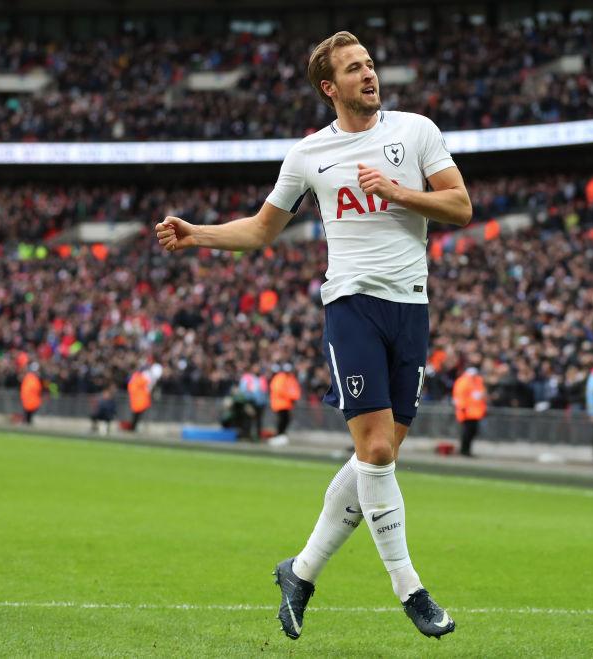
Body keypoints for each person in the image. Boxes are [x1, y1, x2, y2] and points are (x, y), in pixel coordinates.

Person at [155, 30, 470, 640]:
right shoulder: (308, 156)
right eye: (354, 69)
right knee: (377, 452)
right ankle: (412, 591)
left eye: (371, 64)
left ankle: (299, 573)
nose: (368, 75)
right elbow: (261, 231)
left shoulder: (416, 131)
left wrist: (400, 192)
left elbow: (460, 207)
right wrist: (197, 234)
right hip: (351, 306)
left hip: (412, 308)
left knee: (375, 459)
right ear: (330, 87)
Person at [452, 366, 487, 456]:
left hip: (475, 412)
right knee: (467, 432)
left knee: (472, 432)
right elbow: (460, 396)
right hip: (467, 412)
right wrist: (462, 408)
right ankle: (464, 450)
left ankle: (466, 450)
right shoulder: (463, 381)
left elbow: (480, 395)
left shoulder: (477, 381)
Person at [269, 364, 302, 443]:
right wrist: (290, 396)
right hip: (280, 403)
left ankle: (281, 435)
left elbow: (295, 389)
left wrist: (294, 396)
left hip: (287, 404)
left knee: (286, 420)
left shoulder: (290, 378)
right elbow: (279, 390)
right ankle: (279, 435)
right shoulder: (280, 378)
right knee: (282, 420)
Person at [236, 369, 269, 440]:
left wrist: (264, 402)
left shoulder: (262, 378)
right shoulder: (247, 378)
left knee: (258, 421)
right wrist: (246, 403)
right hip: (249, 402)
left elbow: (264, 392)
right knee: (247, 419)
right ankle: (245, 436)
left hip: (260, 403)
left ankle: (257, 436)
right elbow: (243, 391)